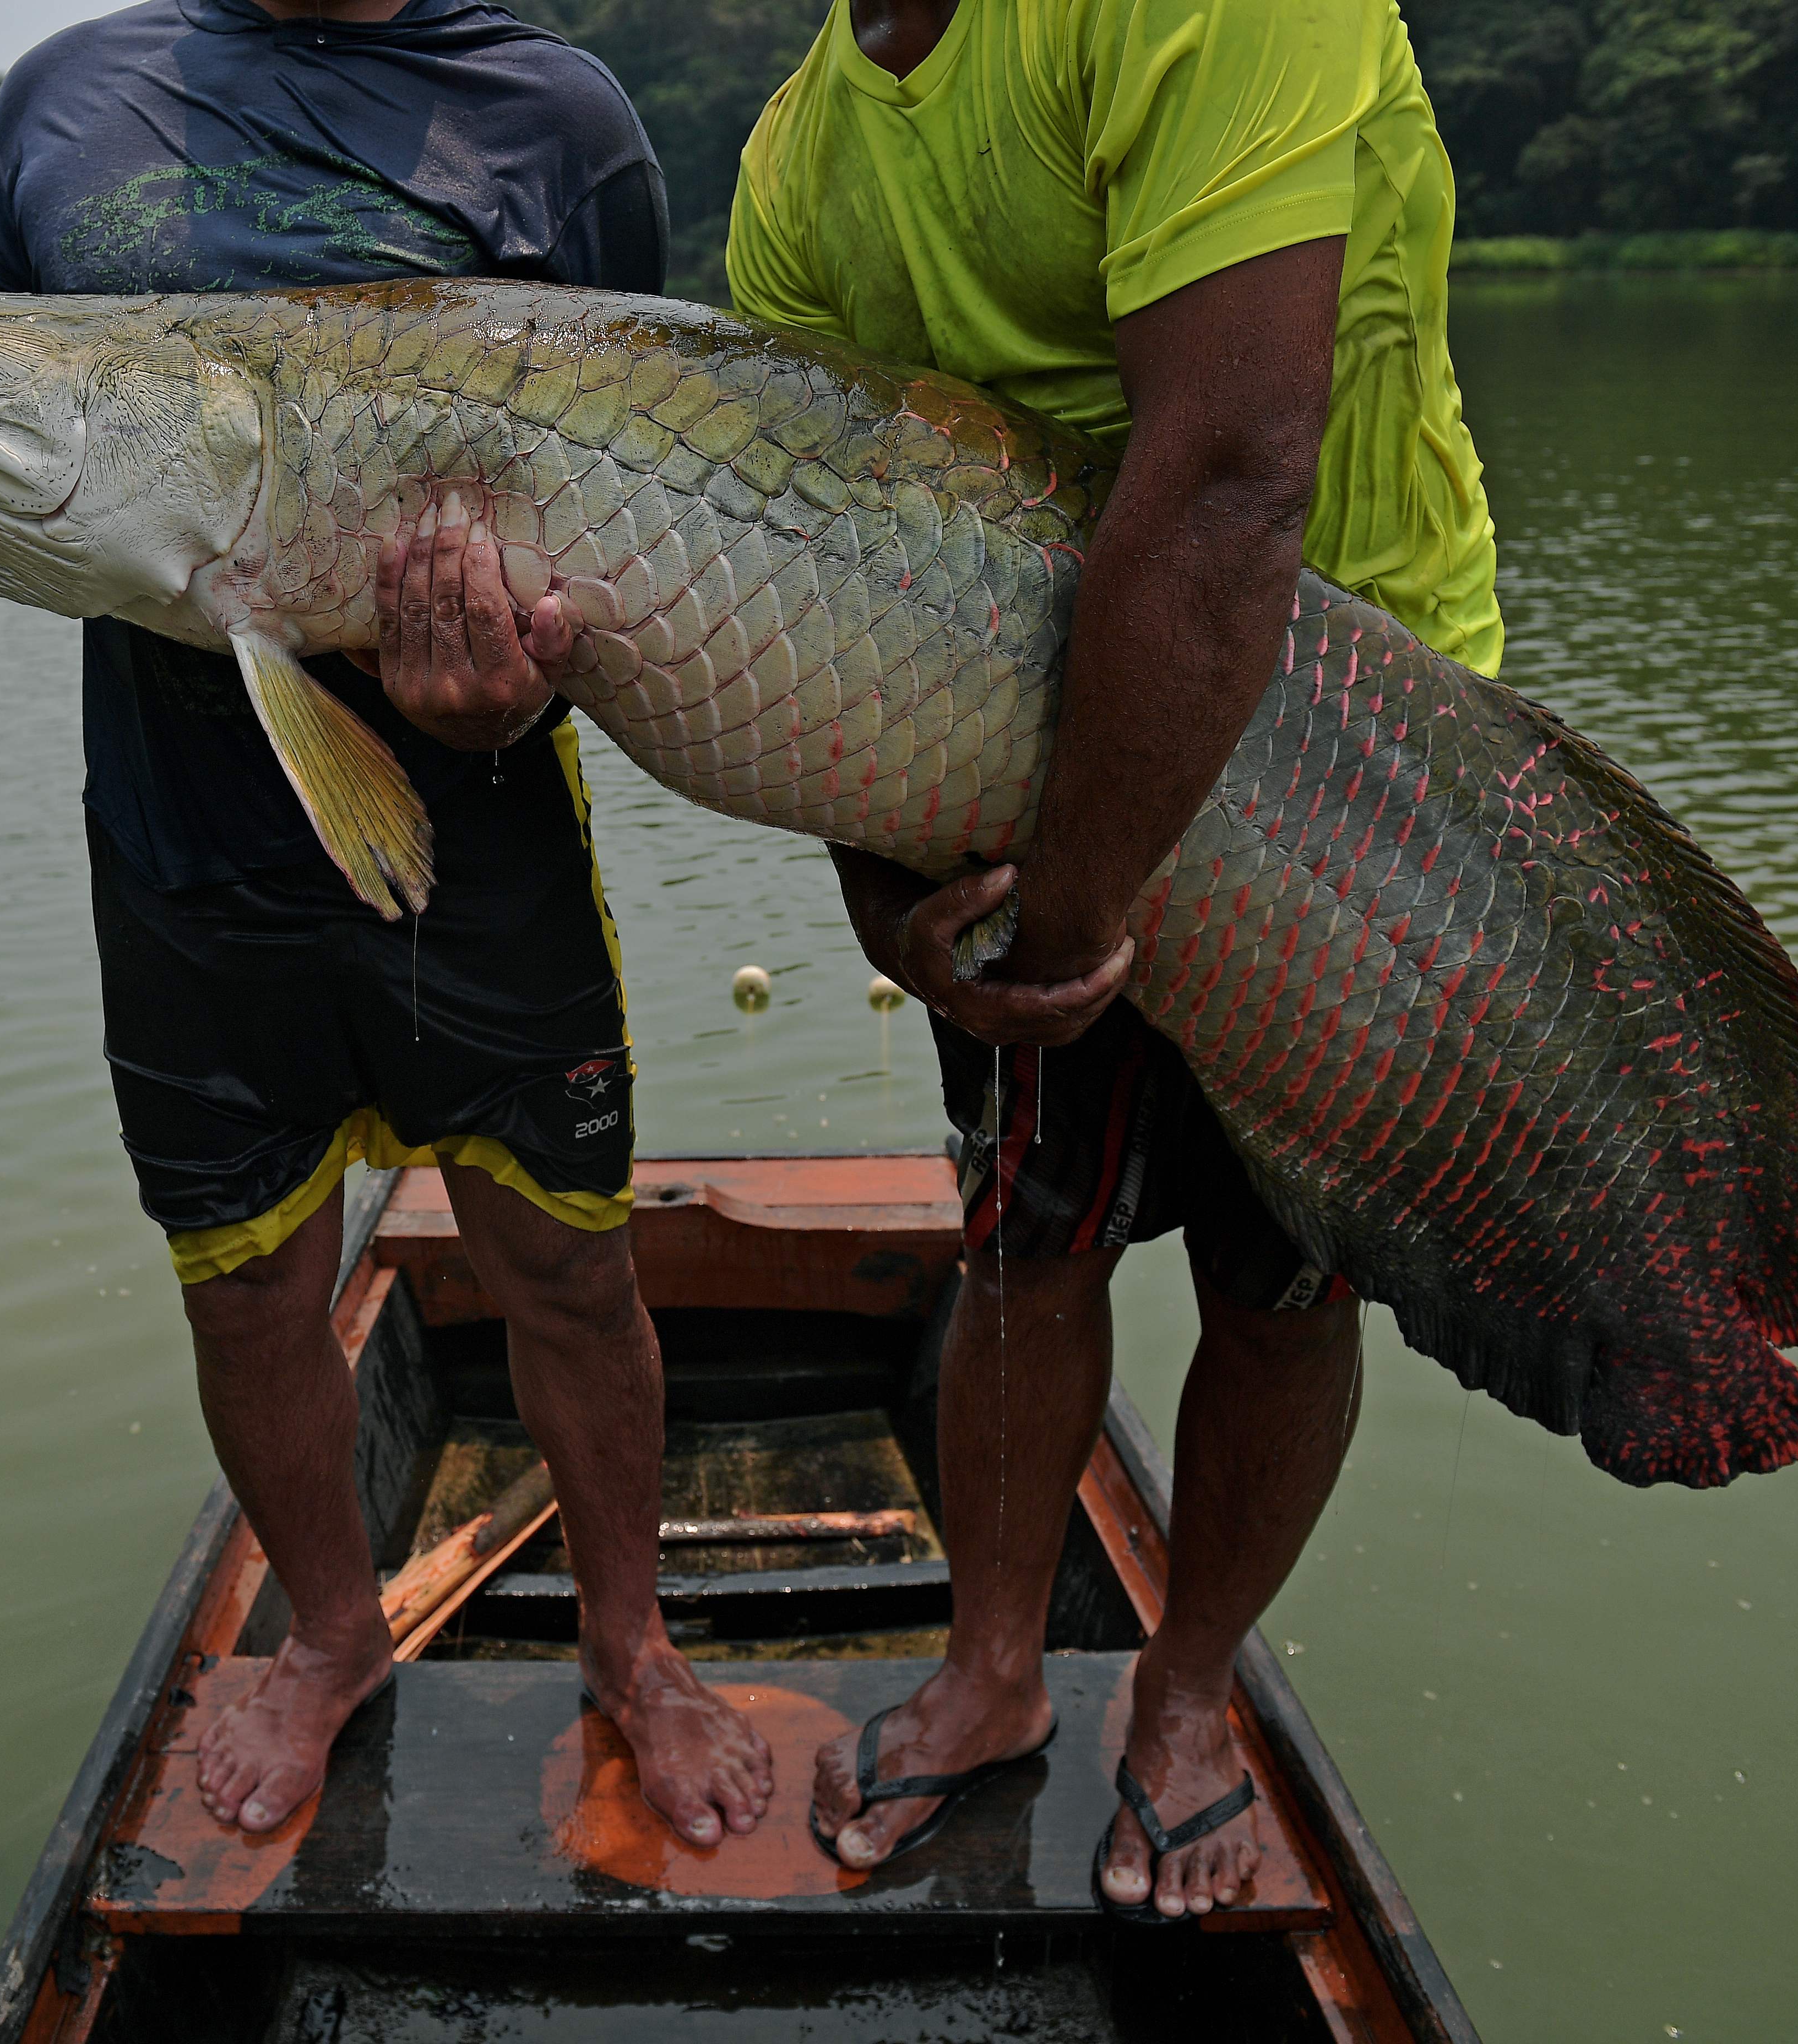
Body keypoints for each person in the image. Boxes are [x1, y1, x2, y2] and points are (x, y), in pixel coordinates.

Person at [0, 0, 773, 1847]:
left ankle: (635, 1642)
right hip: (179, 845)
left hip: (486, 837)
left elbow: (632, 506)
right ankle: (333, 1635)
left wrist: (515, 676)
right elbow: (23, 494)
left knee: (570, 1268)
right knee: (251, 1286)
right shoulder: (61, 105)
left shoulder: (560, 117)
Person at [707, 0, 1502, 1910]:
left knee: (1285, 1281)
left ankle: (1187, 1691)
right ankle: (994, 1673)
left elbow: (1234, 475)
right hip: (1013, 750)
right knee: (1024, 1238)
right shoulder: (795, 166)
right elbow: (807, 571)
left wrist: (1075, 905)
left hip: (1355, 748)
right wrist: (899, 919)